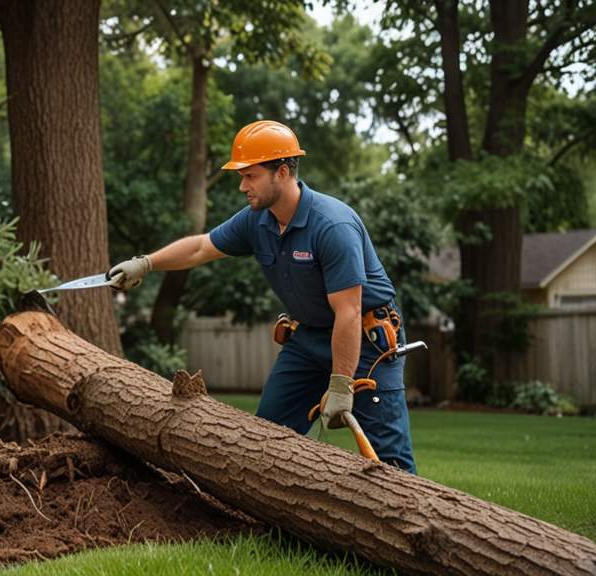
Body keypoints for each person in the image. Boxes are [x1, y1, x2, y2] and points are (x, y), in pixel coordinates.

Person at [108, 120, 416, 474]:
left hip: (365, 341)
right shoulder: (258, 220)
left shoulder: (332, 226)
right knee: (266, 438)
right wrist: (145, 264)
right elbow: (201, 248)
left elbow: (348, 311)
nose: (242, 186)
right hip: (308, 338)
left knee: (390, 458)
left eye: (250, 176)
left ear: (281, 172)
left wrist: (342, 384)